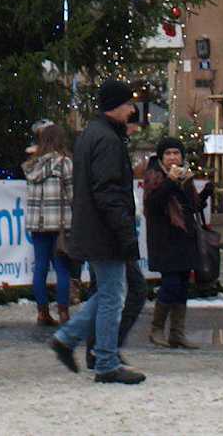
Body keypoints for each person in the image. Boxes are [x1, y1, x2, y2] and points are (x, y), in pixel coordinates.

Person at [48, 78, 145, 386]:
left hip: (94, 227)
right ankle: (105, 362)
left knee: (107, 293)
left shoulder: (92, 134)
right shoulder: (108, 140)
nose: (132, 110)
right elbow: (108, 192)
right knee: (113, 297)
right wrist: (124, 232)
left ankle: (67, 339)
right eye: (128, 104)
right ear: (115, 106)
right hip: (105, 231)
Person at [142, 137, 201, 348]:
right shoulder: (154, 175)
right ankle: (156, 329)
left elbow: (192, 207)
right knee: (171, 283)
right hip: (164, 239)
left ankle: (177, 332)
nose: (172, 157)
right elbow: (153, 205)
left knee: (183, 285)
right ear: (161, 157)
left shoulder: (185, 176)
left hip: (184, 237)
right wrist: (170, 181)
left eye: (176, 153)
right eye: (168, 154)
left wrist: (200, 191)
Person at [23, 121, 73, 326]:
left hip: (37, 224)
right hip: (60, 223)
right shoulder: (65, 163)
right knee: (62, 268)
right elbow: (72, 194)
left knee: (40, 267)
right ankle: (63, 312)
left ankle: (42, 312)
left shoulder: (31, 165)